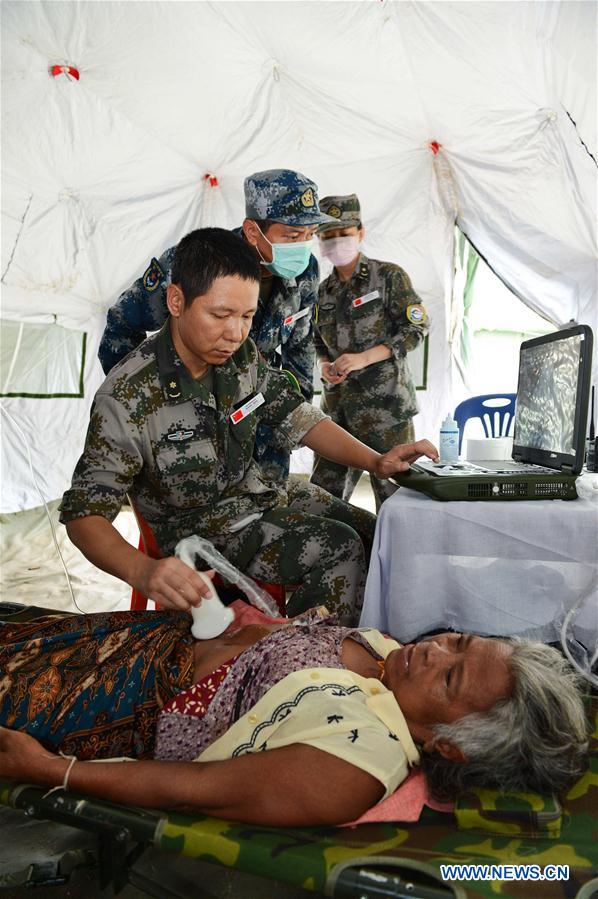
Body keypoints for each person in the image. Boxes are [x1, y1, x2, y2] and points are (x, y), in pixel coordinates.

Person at [60, 228, 438, 625]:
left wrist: (375, 461)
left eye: (246, 316)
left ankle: (356, 641)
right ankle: (302, 667)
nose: (235, 333)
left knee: (377, 533)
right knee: (338, 548)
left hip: (261, 495)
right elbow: (84, 515)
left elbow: (297, 416)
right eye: (220, 315)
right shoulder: (127, 396)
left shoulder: (241, 357)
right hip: (206, 531)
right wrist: (143, 571)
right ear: (176, 301)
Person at [0, 606, 588, 827]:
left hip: (113, 705)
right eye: (459, 640)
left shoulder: (352, 763)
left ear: (449, 745)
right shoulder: (389, 662)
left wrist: (52, 770)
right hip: (138, 640)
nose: (435, 650)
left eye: (450, 677)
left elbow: (190, 789)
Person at [99, 169, 337, 482]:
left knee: (270, 516)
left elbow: (300, 346)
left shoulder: (306, 271)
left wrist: (292, 416)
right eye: (292, 236)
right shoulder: (194, 264)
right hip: (194, 432)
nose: (304, 246)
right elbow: (121, 327)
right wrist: (151, 407)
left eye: (311, 233)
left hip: (261, 426)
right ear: (253, 232)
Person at [311, 194, 429, 510]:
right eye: (328, 236)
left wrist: (365, 358)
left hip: (386, 412)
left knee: (395, 503)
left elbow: (416, 329)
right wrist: (324, 364)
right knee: (322, 502)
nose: (336, 243)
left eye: (344, 234)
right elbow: (317, 339)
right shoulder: (322, 291)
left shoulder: (389, 276)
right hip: (337, 414)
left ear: (360, 233)